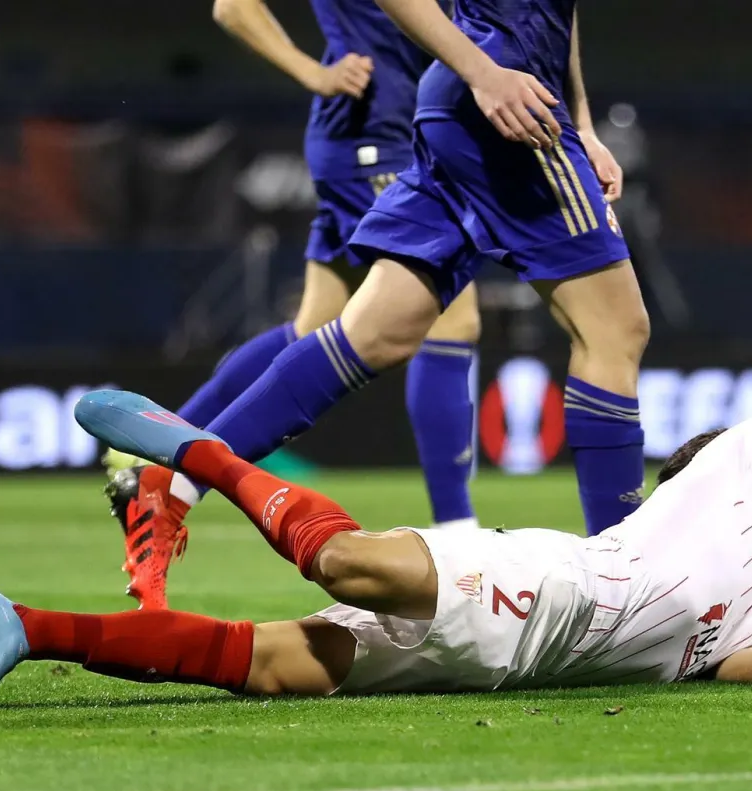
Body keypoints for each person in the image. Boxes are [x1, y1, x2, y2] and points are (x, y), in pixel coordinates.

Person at [0, 217, 752, 709]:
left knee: (268, 668)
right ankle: (194, 453)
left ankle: (18, 625)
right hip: (532, 585)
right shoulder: (729, 475)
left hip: (493, 662)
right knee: (345, 565)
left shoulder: (741, 615)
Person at [119, 0, 651, 608]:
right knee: (614, 330)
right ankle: (622, 582)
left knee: (372, 332)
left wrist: (581, 123)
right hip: (504, 106)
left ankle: (172, 483)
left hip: (468, 104)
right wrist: (484, 73)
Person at [109, 0, 486, 611]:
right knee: (451, 320)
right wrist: (313, 71)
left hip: (382, 134)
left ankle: (156, 459)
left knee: (315, 327)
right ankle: (458, 533)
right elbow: (234, 7)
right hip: (379, 137)